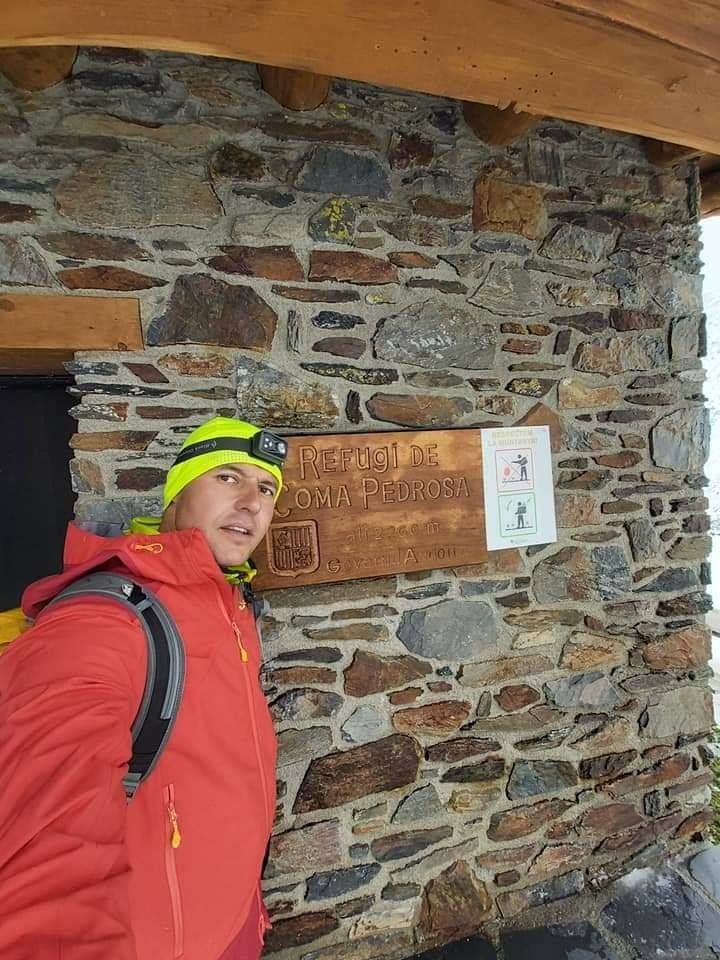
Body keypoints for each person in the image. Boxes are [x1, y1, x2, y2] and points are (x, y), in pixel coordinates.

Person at [0, 416, 286, 960]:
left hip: (230, 923)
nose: (252, 502)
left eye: (267, 488)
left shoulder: (230, 601)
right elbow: (46, 847)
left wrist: (247, 910)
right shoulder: (102, 620)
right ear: (176, 494)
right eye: (228, 477)